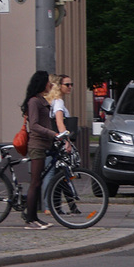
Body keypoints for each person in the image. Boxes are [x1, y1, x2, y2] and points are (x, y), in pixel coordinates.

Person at [21, 71, 56, 230]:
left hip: (44, 144)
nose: (51, 85)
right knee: (35, 182)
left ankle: (35, 217)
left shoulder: (42, 100)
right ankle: (30, 219)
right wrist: (52, 134)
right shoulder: (34, 101)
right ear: (41, 83)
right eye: (48, 82)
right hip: (36, 145)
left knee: (39, 181)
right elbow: (34, 125)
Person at [41, 74, 76, 215]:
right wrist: (66, 140)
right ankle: (48, 206)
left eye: (71, 84)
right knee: (52, 173)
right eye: (67, 84)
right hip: (56, 142)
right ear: (59, 86)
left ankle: (52, 205)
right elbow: (60, 123)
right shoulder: (58, 102)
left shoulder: (50, 101)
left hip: (48, 140)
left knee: (51, 173)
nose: (70, 87)